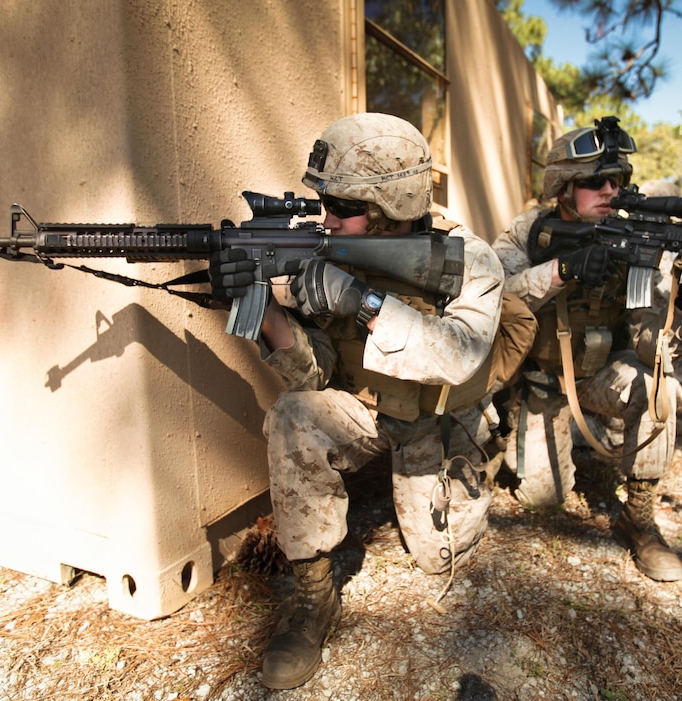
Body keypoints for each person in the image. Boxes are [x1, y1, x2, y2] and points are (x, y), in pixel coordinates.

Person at [209, 113, 504, 689]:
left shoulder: (469, 260)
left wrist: (361, 299)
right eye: (325, 204)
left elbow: (459, 355)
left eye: (344, 207)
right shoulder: (325, 252)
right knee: (294, 417)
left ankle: (487, 453)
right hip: (366, 411)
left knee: (438, 558)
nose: (327, 220)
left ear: (394, 203)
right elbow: (312, 379)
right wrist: (265, 309)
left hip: (438, 425)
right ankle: (314, 598)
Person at [491, 119, 682, 583]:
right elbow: (492, 300)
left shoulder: (637, 240)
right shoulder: (529, 230)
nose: (610, 190)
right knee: (543, 500)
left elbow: (654, 351)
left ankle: (639, 518)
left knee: (655, 384)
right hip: (540, 381)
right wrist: (563, 270)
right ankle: (505, 429)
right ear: (563, 188)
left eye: (618, 180)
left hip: (596, 380)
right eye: (594, 182)